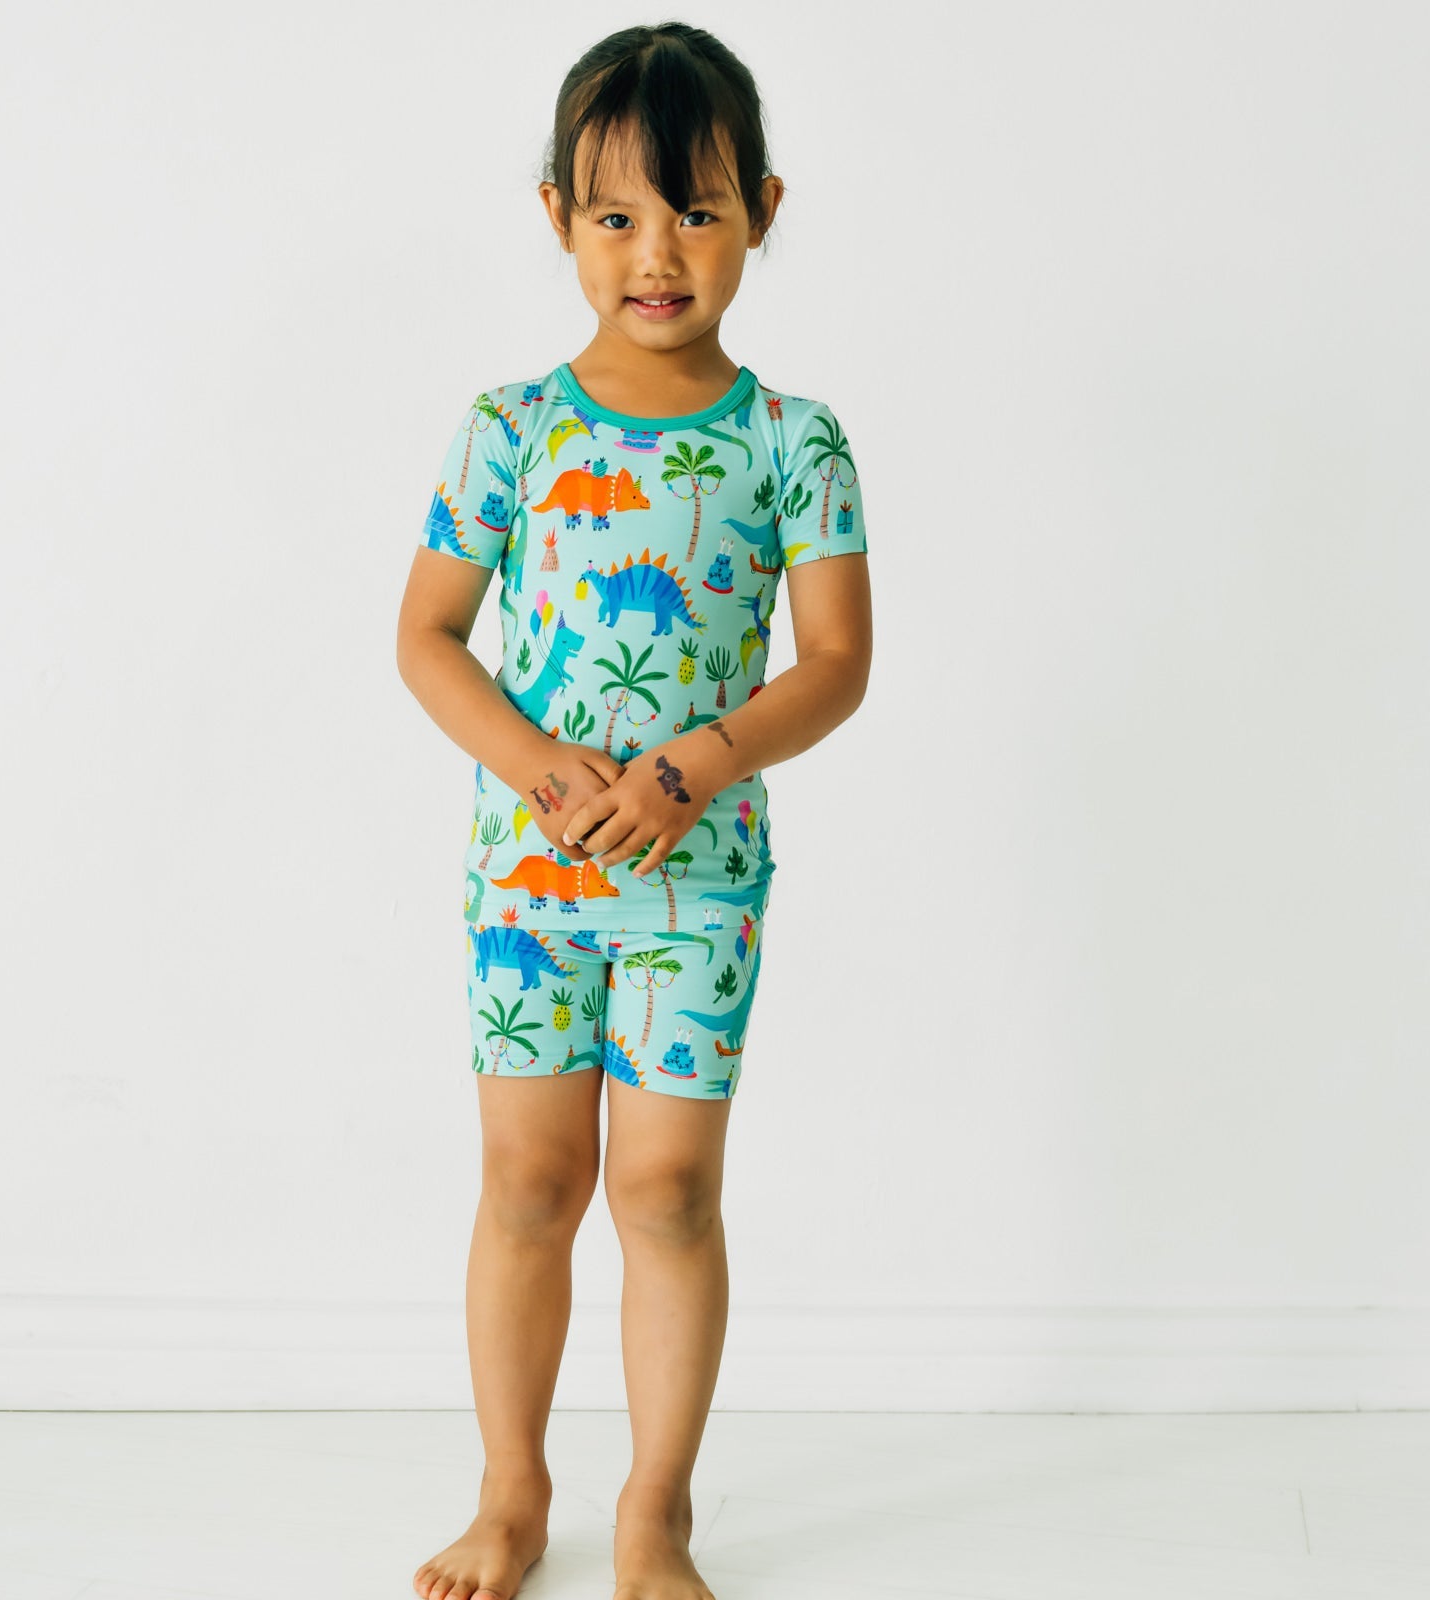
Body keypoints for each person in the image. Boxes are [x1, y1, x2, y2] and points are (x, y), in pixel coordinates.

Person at [395, 21, 872, 1600]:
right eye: (616, 215)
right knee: (530, 1183)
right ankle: (512, 1493)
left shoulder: (794, 441)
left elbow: (837, 662)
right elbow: (428, 635)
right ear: (557, 217)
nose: (657, 254)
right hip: (528, 880)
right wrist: (542, 766)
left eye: (697, 212)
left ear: (762, 212)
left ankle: (654, 1508)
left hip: (699, 880)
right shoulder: (510, 429)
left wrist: (694, 766)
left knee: (667, 1192)